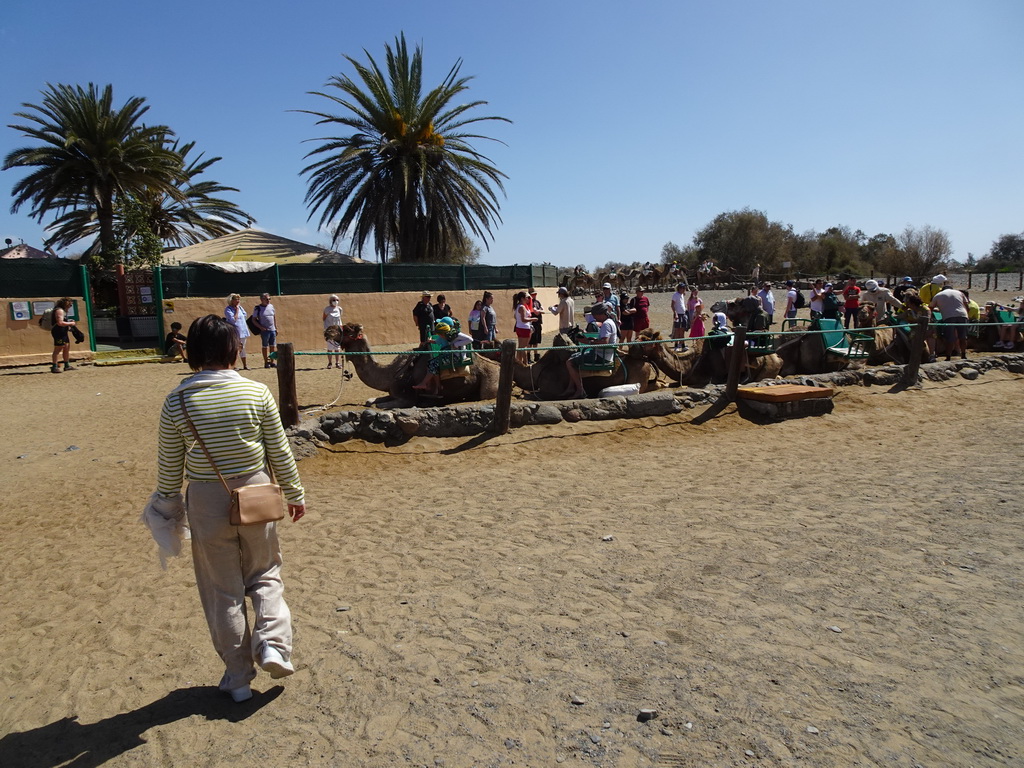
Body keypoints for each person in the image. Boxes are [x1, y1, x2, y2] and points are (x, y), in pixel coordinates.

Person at [150, 314, 305, 704]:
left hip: (206, 498)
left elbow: (170, 466)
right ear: (234, 347)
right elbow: (279, 449)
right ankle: (273, 644)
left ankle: (238, 678)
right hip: (256, 491)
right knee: (266, 572)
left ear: (193, 352)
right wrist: (294, 492)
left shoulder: (177, 401)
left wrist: (167, 509)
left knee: (223, 589)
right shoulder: (256, 393)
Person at [562, 302, 617, 399]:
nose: (594, 317)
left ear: (600, 314)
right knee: (573, 357)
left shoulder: (606, 324)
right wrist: (592, 339)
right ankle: (570, 388)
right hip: (602, 354)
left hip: (600, 356)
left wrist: (588, 342)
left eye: (595, 315)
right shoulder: (610, 322)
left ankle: (580, 390)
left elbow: (605, 342)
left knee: (569, 363)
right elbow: (603, 340)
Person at [412, 319, 474, 395]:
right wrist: (431, 341)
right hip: (450, 354)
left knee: (433, 363)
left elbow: (470, 339)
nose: (440, 336)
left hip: (455, 357)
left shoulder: (456, 334)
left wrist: (456, 345)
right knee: (430, 363)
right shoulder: (447, 335)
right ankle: (436, 386)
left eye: (440, 335)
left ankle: (424, 383)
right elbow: (438, 341)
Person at [929, 283, 969, 361]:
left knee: (950, 338)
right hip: (962, 315)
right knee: (963, 337)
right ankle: (963, 354)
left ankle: (948, 357)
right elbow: (967, 306)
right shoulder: (959, 293)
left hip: (948, 316)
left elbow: (930, 308)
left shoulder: (938, 295)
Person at [48, 297, 77, 373]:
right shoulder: (59, 310)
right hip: (58, 332)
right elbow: (60, 323)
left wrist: (69, 321)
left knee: (66, 348)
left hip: (63, 331)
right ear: (66, 304)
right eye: (70, 305)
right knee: (58, 349)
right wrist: (71, 323)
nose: (70, 306)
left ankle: (67, 365)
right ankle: (54, 366)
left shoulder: (63, 311)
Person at [224, 293, 250, 370]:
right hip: (235, 332)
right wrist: (236, 311)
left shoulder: (240, 308)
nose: (238, 301)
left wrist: (239, 309)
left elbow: (244, 315)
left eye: (239, 299)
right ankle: (234, 365)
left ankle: (245, 365)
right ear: (231, 301)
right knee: (235, 349)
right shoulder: (228, 309)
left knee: (243, 348)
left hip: (243, 331)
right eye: (236, 299)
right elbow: (233, 319)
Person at [253, 293, 278, 369]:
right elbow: (253, 320)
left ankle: (272, 361)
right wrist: (260, 327)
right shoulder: (258, 308)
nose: (268, 300)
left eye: (269, 299)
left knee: (272, 346)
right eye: (266, 299)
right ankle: (266, 362)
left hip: (272, 329)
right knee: (265, 346)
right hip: (264, 330)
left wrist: (276, 327)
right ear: (261, 299)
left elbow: (274, 317)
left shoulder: (271, 306)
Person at [513, 290, 536, 363]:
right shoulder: (522, 307)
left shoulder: (519, 306)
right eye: (526, 297)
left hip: (519, 327)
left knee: (520, 347)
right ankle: (525, 363)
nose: (528, 299)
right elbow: (523, 319)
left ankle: (518, 361)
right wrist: (533, 319)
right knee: (524, 347)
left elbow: (516, 316)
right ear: (522, 298)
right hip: (524, 328)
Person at [322, 295, 343, 368]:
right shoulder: (327, 309)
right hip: (330, 331)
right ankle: (330, 363)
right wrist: (327, 329)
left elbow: (339, 318)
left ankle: (337, 363)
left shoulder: (339, 309)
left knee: (337, 347)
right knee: (330, 347)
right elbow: (324, 318)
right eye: (334, 300)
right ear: (330, 301)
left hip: (337, 330)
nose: (335, 301)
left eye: (337, 300)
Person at [671, 282, 689, 351]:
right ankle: (676, 345)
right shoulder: (675, 295)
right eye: (683, 288)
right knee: (677, 330)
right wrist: (675, 313)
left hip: (683, 314)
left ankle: (682, 345)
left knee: (682, 330)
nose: (684, 289)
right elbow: (672, 305)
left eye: (684, 288)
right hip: (678, 314)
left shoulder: (682, 295)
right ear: (679, 288)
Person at [528, 288, 544, 361]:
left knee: (536, 341)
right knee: (530, 341)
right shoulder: (529, 303)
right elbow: (536, 312)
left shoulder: (537, 302)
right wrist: (540, 310)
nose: (534, 296)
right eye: (533, 294)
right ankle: (528, 356)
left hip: (538, 323)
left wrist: (539, 310)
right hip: (532, 324)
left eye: (535, 294)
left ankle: (536, 355)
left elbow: (541, 310)